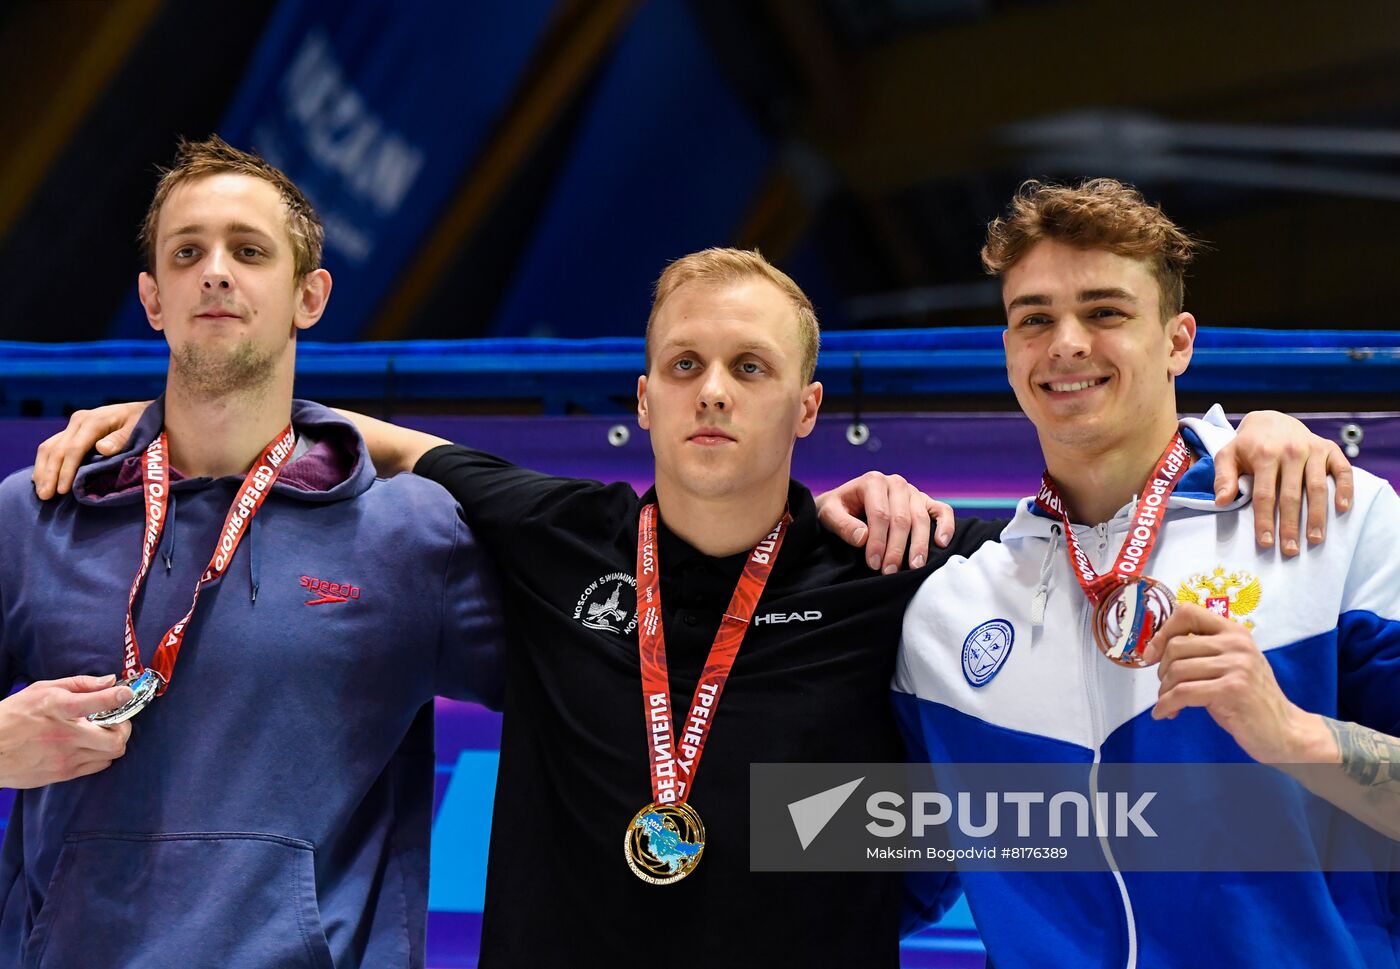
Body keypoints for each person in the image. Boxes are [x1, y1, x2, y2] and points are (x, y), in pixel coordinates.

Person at [33, 239, 1348, 966]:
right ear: (645, 400)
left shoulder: (906, 564)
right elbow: (369, 437)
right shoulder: (550, 531)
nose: (715, 390)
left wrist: (1257, 439)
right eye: (686, 366)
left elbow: (1106, 517)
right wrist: (159, 421)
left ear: (807, 406)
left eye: (750, 366)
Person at [0, 137, 506, 969]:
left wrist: (797, 823)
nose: (216, 271)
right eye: (187, 251)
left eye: (250, 250)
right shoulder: (39, 512)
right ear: (152, 298)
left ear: (310, 296)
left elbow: (590, 682)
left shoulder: (410, 533)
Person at [895, 179, 1397, 968]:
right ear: (1008, 351)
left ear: (1178, 341)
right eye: (1034, 318)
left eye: (1105, 312)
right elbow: (873, 862)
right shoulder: (949, 610)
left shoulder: (1326, 517)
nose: (1065, 343)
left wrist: (1292, 733)